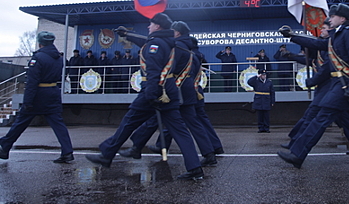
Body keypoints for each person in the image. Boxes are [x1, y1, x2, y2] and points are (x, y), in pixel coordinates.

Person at [277, 3, 349, 178]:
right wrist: (292, 36)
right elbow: (317, 45)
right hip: (341, 85)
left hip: (345, 85)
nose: (330, 19)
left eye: (332, 17)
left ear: (342, 18)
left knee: (321, 118)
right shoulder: (337, 35)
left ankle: (297, 154)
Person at [85, 13, 204, 180]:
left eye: (151, 23)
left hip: (155, 88)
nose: (148, 26)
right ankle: (195, 168)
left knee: (129, 120)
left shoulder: (156, 44)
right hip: (169, 89)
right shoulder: (167, 43)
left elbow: (153, 69)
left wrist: (151, 94)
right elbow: (147, 43)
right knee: (179, 130)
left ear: (158, 26)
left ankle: (107, 154)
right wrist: (128, 34)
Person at [0, 31, 74, 163]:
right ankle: (67, 152)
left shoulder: (38, 58)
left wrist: (27, 101)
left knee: (21, 122)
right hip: (53, 91)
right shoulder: (59, 58)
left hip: (38, 94)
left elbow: (32, 82)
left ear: (40, 43)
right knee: (58, 125)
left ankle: (4, 147)